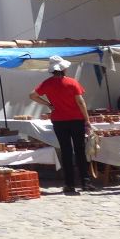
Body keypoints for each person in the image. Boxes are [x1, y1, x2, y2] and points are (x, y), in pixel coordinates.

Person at [30, 60, 92, 195]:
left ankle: (69, 184)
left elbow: (32, 95)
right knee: (80, 150)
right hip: (76, 119)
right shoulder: (72, 82)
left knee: (66, 151)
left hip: (59, 120)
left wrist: (47, 104)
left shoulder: (46, 83)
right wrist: (87, 120)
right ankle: (85, 181)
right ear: (63, 69)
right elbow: (80, 102)